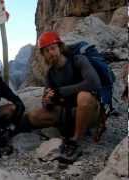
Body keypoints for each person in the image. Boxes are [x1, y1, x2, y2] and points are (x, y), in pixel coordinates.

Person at [26, 31, 102, 163]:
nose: (51, 53)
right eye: (46, 51)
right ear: (43, 54)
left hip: (90, 112)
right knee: (34, 116)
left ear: (60, 48)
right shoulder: (51, 73)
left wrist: (60, 91)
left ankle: (75, 140)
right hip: (67, 113)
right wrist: (48, 101)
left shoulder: (77, 60)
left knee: (83, 97)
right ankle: (68, 129)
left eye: (53, 48)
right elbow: (47, 101)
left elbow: (94, 83)